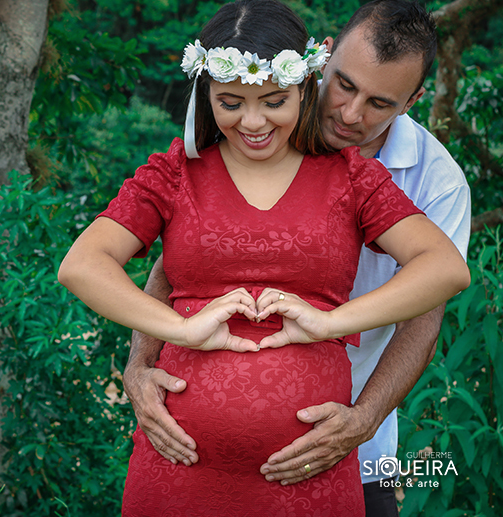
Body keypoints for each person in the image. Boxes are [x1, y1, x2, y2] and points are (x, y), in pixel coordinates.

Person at [58, 0, 470, 514]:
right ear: (322, 64)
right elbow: (157, 269)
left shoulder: (394, 180)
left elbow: (436, 291)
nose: (350, 113)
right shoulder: (181, 170)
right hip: (181, 469)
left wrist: (336, 342)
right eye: (344, 86)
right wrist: (148, 358)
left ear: (412, 100)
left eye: (379, 102)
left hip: (340, 435)